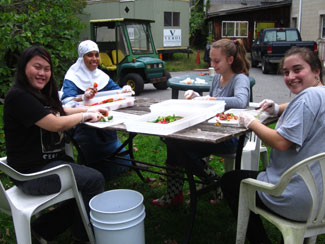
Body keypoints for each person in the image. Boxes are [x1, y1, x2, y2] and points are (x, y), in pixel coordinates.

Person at [220, 46, 325, 244]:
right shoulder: (319, 94)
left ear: (316, 70)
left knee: (231, 181)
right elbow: (300, 105)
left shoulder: (307, 98)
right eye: (286, 72)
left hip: (296, 198)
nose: (290, 77)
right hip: (321, 197)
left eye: (297, 69)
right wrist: (278, 108)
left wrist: (250, 122)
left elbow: (281, 142)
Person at [3, 45, 106, 243]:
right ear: (24, 67)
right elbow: (54, 123)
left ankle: (43, 229)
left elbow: (62, 111)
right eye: (37, 67)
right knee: (94, 180)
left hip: (48, 166)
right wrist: (85, 116)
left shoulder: (38, 94)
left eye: (47, 68)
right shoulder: (19, 96)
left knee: (84, 182)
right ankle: (83, 236)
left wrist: (94, 109)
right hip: (32, 174)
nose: (43, 73)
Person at [152, 38, 251, 206]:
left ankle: (214, 181)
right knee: (172, 140)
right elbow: (211, 106)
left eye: (216, 60)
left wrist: (213, 98)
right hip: (211, 131)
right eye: (211, 60)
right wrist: (199, 98)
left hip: (231, 137)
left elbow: (241, 101)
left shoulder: (240, 79)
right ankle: (175, 193)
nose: (212, 64)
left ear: (230, 60)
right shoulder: (217, 78)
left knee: (181, 147)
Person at [61, 40, 132, 179]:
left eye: (96, 55)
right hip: (85, 126)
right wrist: (82, 97)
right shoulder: (72, 77)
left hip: (105, 122)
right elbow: (66, 104)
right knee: (97, 162)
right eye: (90, 55)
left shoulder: (101, 76)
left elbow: (116, 91)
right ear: (82, 58)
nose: (94, 59)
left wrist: (125, 89)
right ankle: (96, 170)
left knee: (121, 158)